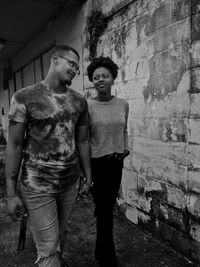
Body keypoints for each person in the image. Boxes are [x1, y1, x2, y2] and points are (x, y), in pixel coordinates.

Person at [6, 45, 92, 267]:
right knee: (48, 248)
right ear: (55, 59)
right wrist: (11, 192)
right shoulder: (23, 97)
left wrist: (87, 175)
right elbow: (14, 145)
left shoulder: (79, 101)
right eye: (71, 64)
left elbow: (82, 141)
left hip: (69, 183)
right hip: (37, 186)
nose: (75, 70)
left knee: (59, 236)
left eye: (77, 67)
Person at [87, 56, 130, 267]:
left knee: (106, 210)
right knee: (105, 213)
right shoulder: (87, 106)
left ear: (113, 78)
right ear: (92, 82)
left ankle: (101, 253)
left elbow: (124, 129)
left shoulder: (123, 104)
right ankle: (107, 259)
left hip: (116, 164)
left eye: (105, 76)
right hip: (97, 165)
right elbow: (83, 139)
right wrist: (84, 172)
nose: (100, 80)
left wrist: (126, 148)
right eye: (96, 77)